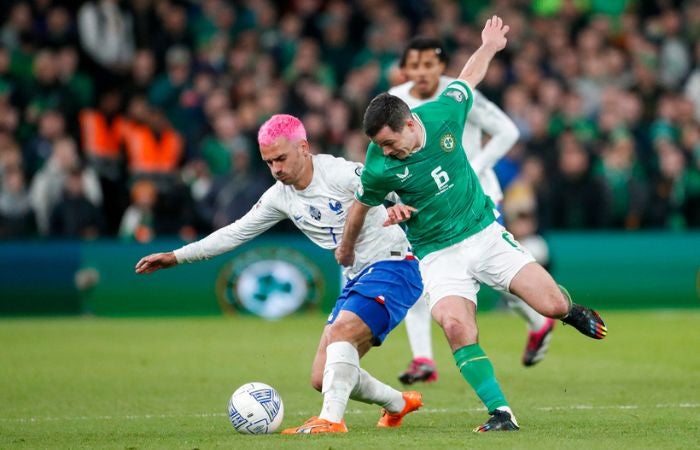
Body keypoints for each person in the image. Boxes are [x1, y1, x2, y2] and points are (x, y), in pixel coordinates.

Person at [335, 16, 607, 433]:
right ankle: (501, 412)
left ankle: (569, 312)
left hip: (484, 234)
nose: (386, 153)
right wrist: (347, 247)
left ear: (410, 124)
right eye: (379, 147)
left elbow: (468, 77)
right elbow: (359, 206)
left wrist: (490, 46)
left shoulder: (444, 113)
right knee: (455, 324)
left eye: (390, 143)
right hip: (437, 253)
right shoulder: (378, 167)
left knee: (550, 304)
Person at [135, 114, 424, 434]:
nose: (276, 169)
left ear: (303, 147)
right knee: (322, 377)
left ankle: (331, 420)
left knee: (342, 333)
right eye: (269, 162)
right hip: (358, 276)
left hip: (395, 264)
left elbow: (390, 183)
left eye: (281, 158)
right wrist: (176, 257)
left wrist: (402, 206)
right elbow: (235, 232)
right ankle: (398, 403)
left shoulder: (338, 173)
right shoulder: (279, 196)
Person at [388, 36, 555, 384]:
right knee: (418, 271)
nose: (421, 72)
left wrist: (475, 165)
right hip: (426, 202)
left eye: (428, 64)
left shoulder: (461, 93)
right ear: (404, 69)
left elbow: (507, 131)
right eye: (414, 66)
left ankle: (539, 321)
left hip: (474, 196)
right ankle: (423, 359)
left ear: (441, 66)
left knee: (497, 277)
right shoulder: (396, 102)